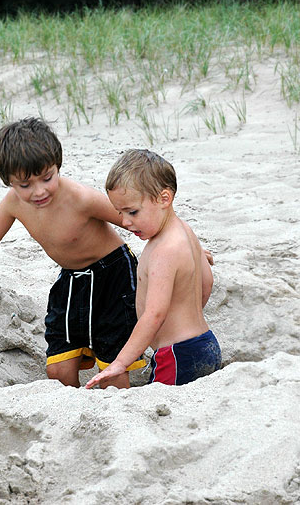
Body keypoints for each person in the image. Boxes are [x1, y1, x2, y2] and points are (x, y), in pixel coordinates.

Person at [0, 117, 146, 388]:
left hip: (113, 274)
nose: (39, 191)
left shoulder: (80, 198)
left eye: (47, 178)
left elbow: (132, 220)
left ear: (58, 166)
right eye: (25, 185)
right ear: (8, 181)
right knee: (58, 369)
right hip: (72, 279)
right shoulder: (12, 204)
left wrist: (178, 245)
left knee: (112, 364)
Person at [86, 149, 220, 388]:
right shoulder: (185, 231)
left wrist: (120, 363)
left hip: (178, 354)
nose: (125, 222)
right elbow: (206, 282)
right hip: (204, 344)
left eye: (132, 212)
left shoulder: (163, 250)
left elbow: (154, 314)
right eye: (120, 213)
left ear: (164, 199)